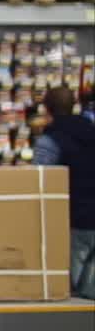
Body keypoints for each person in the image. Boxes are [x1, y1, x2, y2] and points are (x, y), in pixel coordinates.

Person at [34, 85, 95, 300]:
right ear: (74, 105)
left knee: (74, 293)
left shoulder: (50, 141)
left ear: (46, 108)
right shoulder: (90, 131)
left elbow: (39, 182)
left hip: (72, 219)